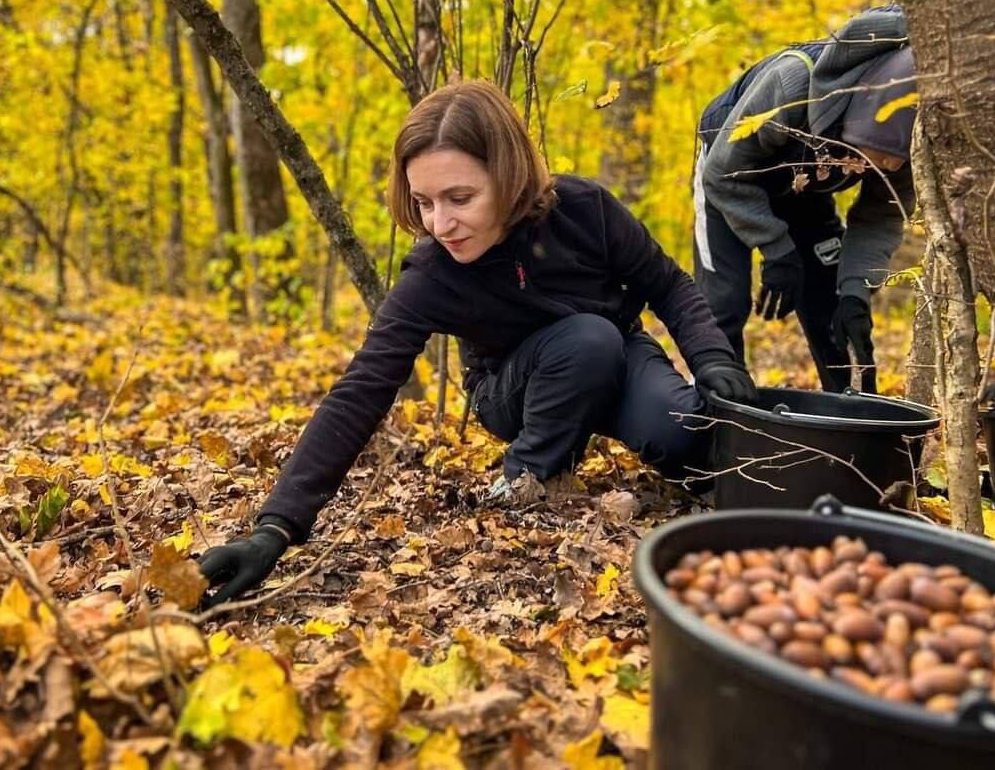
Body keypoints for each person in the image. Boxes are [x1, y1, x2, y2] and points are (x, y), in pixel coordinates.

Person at [197, 79, 756, 606]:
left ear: (508, 176)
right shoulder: (434, 275)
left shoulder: (585, 210)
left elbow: (668, 284)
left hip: (615, 355)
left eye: (460, 198)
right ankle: (525, 479)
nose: (441, 223)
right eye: (424, 203)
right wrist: (275, 528)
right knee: (588, 338)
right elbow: (361, 389)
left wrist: (713, 360)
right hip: (510, 387)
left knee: (683, 430)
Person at [692, 6, 916, 394]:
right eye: (870, 160)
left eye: (889, 165)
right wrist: (777, 249)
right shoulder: (790, 85)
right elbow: (722, 174)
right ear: (853, 124)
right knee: (724, 303)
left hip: (806, 187)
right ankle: (721, 417)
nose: (873, 170)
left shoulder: (907, 131)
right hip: (730, 173)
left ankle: (854, 416)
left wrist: (856, 293)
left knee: (831, 304)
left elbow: (880, 217)